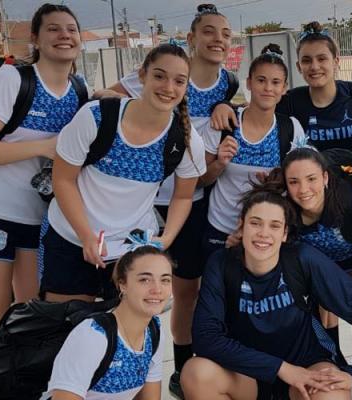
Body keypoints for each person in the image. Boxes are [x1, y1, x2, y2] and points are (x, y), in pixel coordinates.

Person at [98, 4, 236, 395]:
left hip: (192, 198)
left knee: (187, 290)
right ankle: (118, 366)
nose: (218, 40)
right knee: (134, 288)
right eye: (208, 32)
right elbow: (106, 95)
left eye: (225, 34)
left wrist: (227, 106)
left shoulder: (227, 84)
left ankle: (181, 366)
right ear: (191, 38)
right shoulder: (168, 71)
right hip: (142, 200)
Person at [182, 184, 352, 400]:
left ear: (285, 233)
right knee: (196, 374)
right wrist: (282, 368)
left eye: (275, 226)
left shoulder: (301, 259)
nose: (264, 233)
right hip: (247, 374)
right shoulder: (221, 264)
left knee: (332, 392)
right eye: (255, 223)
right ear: (241, 225)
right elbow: (205, 339)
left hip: (306, 367)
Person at [40, 44, 206, 305]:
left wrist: (167, 238)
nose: (168, 87)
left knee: (125, 328)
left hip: (131, 251)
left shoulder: (186, 140)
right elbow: (63, 179)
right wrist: (86, 236)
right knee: (65, 324)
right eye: (159, 76)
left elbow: (183, 196)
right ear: (142, 76)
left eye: (179, 81)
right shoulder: (96, 117)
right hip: (71, 240)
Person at [0, 3, 84, 356]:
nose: (64, 35)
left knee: (31, 321)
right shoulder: (13, 80)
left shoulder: (80, 90)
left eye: (71, 29)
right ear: (35, 38)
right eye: (53, 29)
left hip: (43, 223)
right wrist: (46, 146)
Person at [269, 146, 352, 399]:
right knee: (321, 334)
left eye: (311, 179)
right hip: (318, 276)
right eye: (294, 182)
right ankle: (331, 368)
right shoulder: (285, 211)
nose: (304, 190)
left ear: (325, 177)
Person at [199, 43, 305, 259]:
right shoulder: (225, 123)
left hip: (264, 233)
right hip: (221, 226)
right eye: (261, 80)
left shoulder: (291, 128)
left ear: (284, 88)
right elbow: (199, 181)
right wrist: (219, 163)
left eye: (275, 82)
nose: (268, 88)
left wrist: (276, 183)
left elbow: (300, 180)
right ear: (249, 82)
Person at [211, 21, 352, 151]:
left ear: (336, 61)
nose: (314, 66)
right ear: (299, 67)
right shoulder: (290, 102)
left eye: (322, 59)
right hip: (309, 185)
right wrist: (224, 105)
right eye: (306, 60)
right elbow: (254, 111)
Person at [41, 244, 171, 400]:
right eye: (144, 279)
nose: (157, 289)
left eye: (165, 280)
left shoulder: (154, 331)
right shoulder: (92, 336)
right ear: (122, 284)